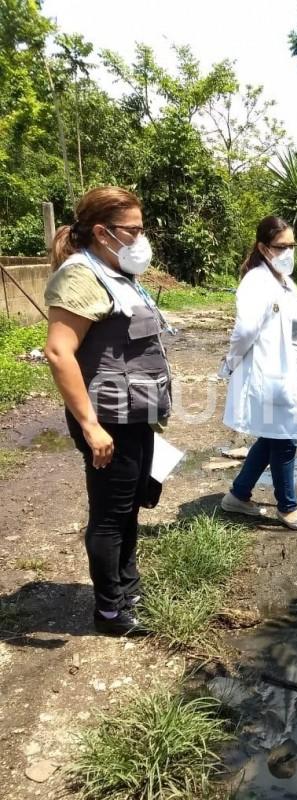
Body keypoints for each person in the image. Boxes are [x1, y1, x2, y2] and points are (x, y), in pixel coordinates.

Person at [44, 186, 171, 636]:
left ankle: (126, 589)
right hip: (107, 419)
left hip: (134, 414)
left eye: (142, 229)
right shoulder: (80, 276)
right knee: (110, 514)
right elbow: (60, 352)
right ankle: (110, 612)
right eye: (132, 230)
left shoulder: (114, 270)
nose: (141, 238)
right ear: (102, 232)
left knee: (132, 506)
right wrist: (91, 426)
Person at [220, 215, 297, 530]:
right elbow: (245, 330)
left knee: (273, 437)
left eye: (292, 246)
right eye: (281, 246)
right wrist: (231, 361)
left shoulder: (285, 281)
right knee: (285, 440)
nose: (288, 252)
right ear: (264, 247)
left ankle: (237, 495)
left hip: (289, 371)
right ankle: (287, 507)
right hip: (271, 373)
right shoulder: (256, 281)